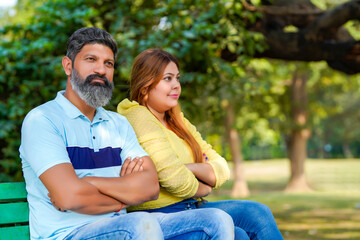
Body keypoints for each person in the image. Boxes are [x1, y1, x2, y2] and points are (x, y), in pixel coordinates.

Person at [19, 27, 235, 240]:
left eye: (108, 63)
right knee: (142, 222)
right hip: (69, 234)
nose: (101, 70)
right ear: (68, 66)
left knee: (216, 220)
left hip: (122, 226)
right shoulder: (43, 121)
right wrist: (125, 198)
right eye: (91, 60)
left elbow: (150, 187)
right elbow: (70, 196)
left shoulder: (117, 124)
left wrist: (89, 182)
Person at [118, 48, 285, 240]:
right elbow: (174, 180)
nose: (176, 86)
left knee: (259, 213)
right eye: (167, 79)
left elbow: (221, 167)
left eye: (177, 78)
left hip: (193, 205)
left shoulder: (177, 120)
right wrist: (203, 188)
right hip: (162, 213)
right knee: (238, 234)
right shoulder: (137, 115)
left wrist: (189, 167)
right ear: (145, 86)